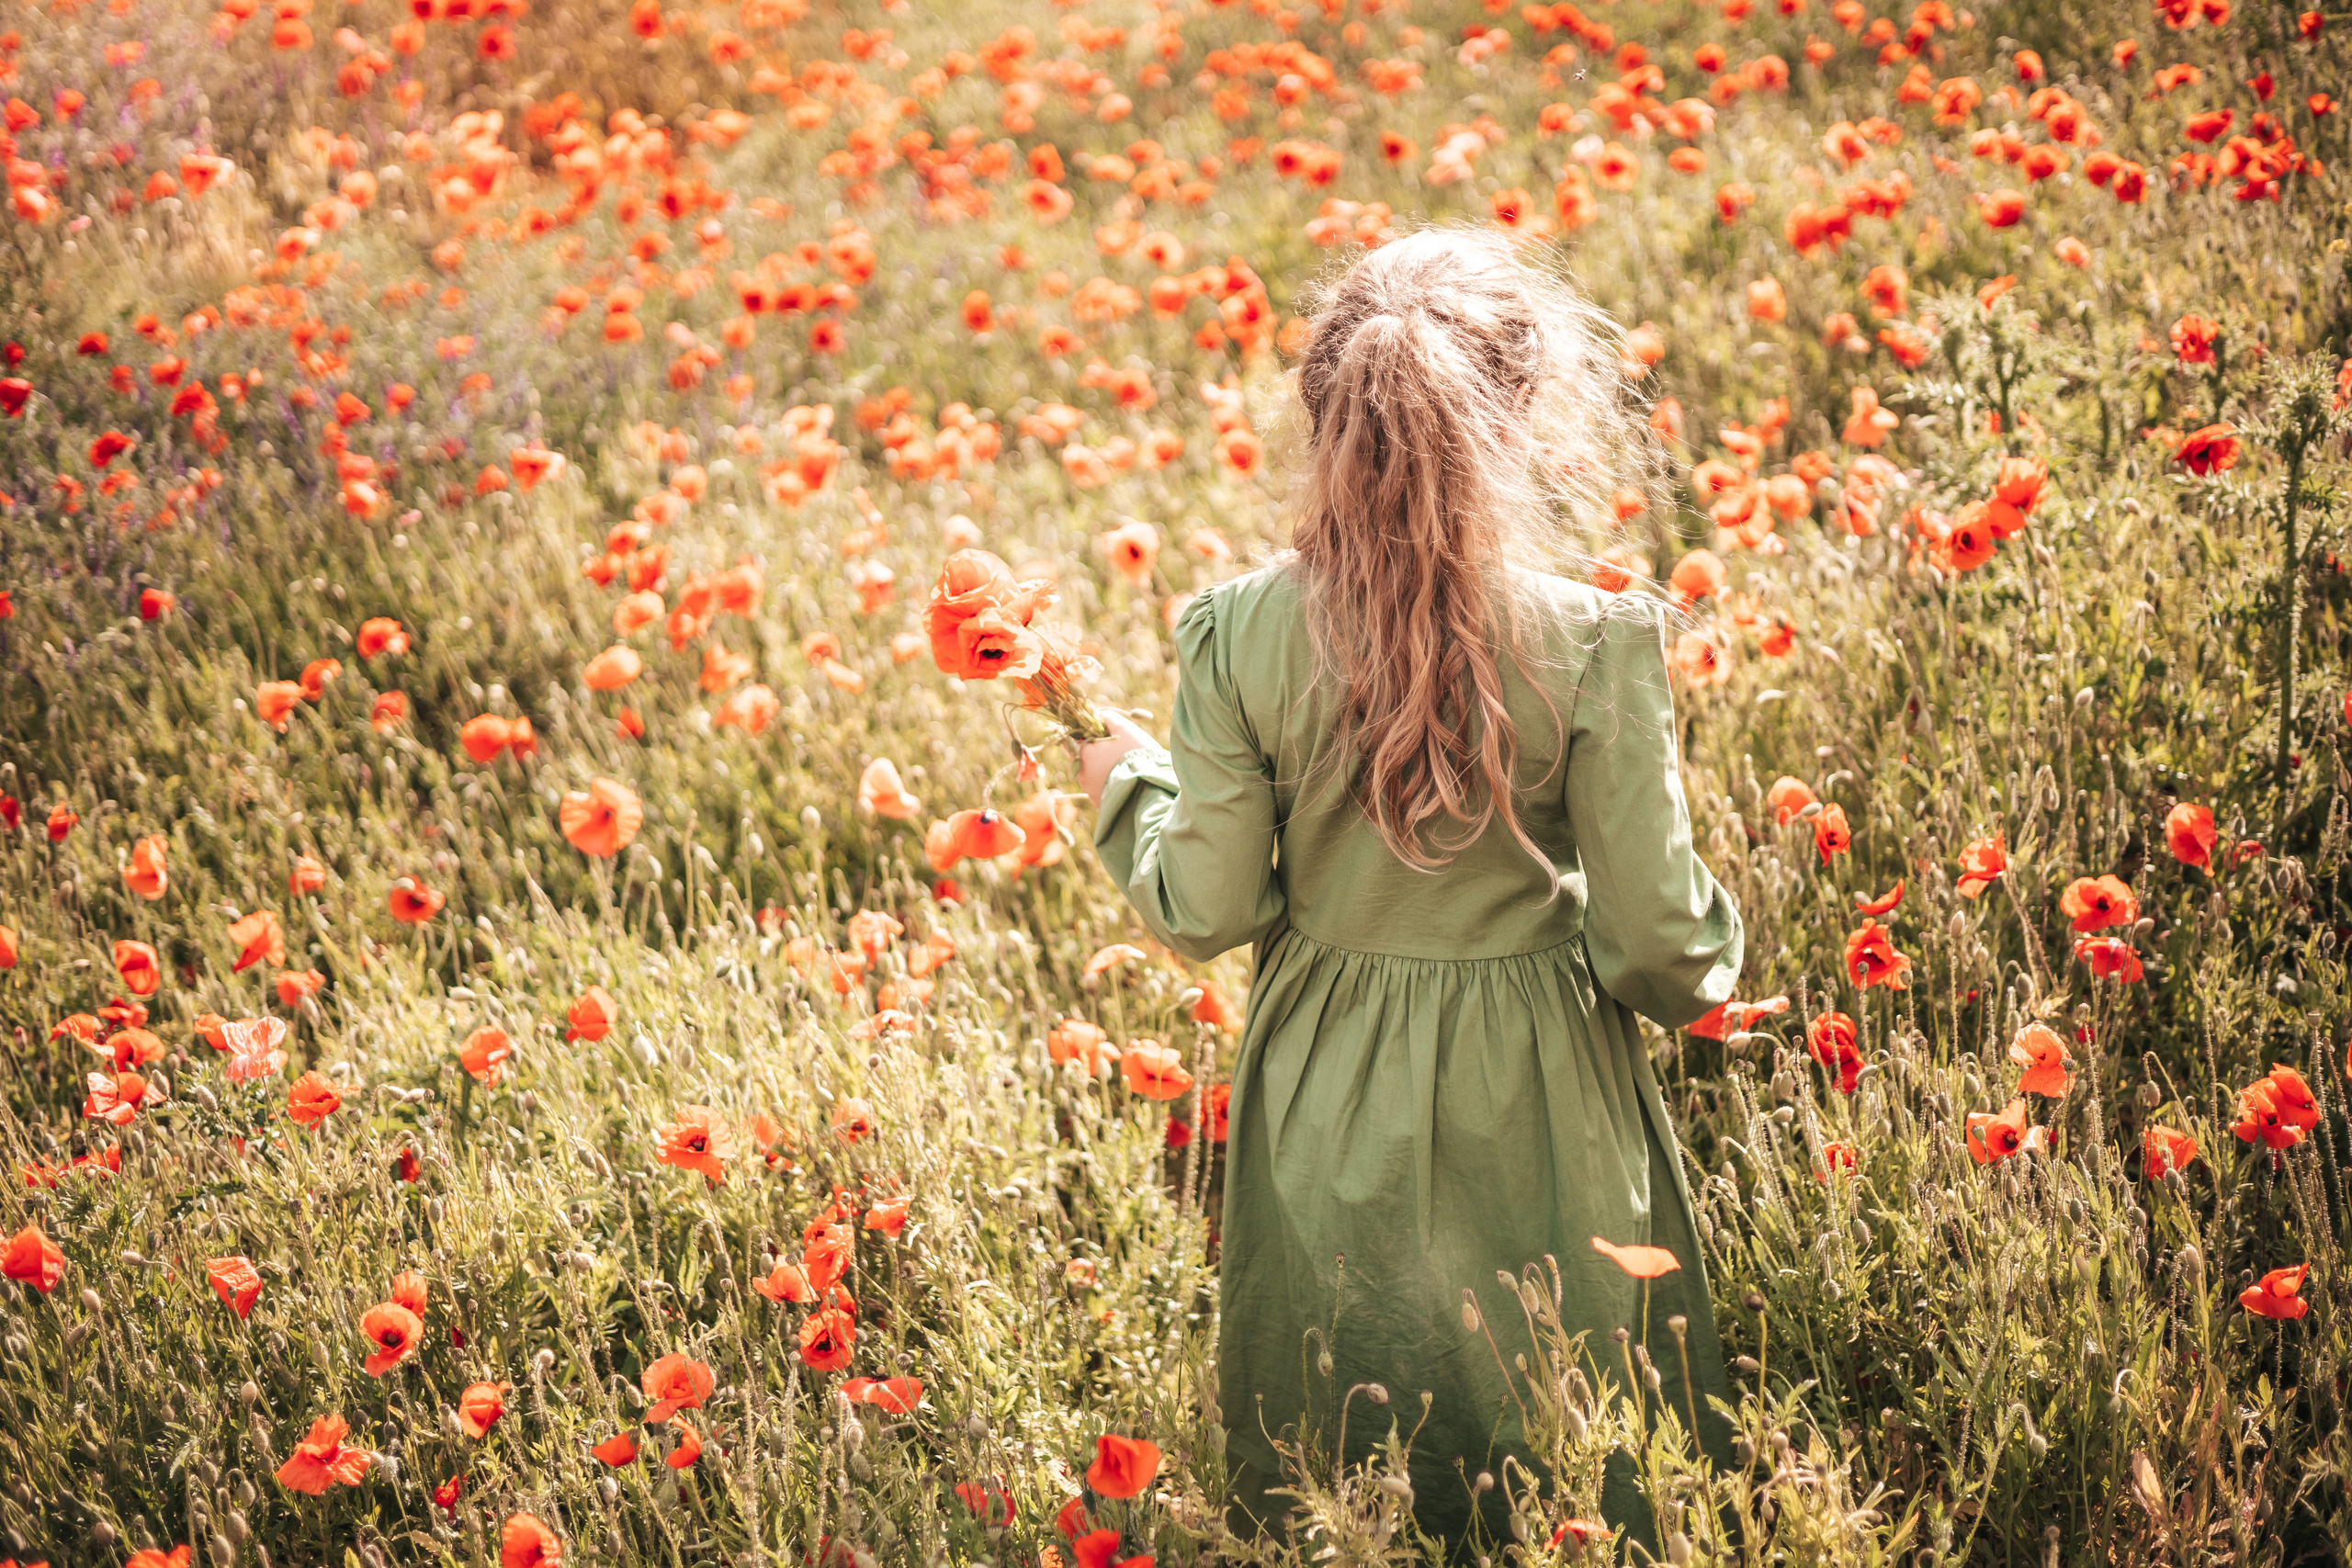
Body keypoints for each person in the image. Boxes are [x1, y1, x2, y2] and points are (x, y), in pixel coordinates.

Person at [1074, 228, 1743, 1555]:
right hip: (1539, 1080)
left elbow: (1203, 907)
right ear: (1523, 409)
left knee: (1355, 1394)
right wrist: (1709, 974)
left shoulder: (1234, 633)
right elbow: (1662, 946)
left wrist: (1118, 776)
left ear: (1320, 418)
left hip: (1328, 1074)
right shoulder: (1599, 641)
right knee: (1563, 1401)